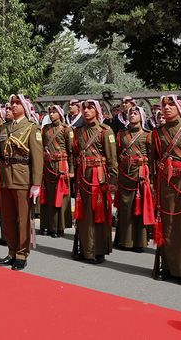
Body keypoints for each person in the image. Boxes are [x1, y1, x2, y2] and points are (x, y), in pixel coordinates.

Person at [152, 95, 181, 285]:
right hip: (165, 184)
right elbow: (154, 160)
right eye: (164, 105)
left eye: (171, 105)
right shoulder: (157, 132)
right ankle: (167, 266)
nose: (167, 108)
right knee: (166, 224)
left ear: (179, 108)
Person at [0, 94, 43, 271]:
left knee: (22, 219)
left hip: (23, 178)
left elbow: (38, 158)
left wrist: (36, 183)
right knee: (7, 219)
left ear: (24, 106)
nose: (13, 106)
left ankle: (22, 254)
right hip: (6, 177)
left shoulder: (32, 128)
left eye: (17, 103)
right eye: (11, 103)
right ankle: (12, 251)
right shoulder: (4, 127)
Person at [72, 100, 118, 264]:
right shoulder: (78, 131)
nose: (86, 111)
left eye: (90, 108)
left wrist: (112, 181)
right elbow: (75, 153)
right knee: (84, 214)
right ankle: (85, 249)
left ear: (97, 111)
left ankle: (97, 251)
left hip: (99, 177)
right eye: (84, 108)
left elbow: (112, 159)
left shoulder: (106, 132)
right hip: (83, 175)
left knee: (98, 214)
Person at [114, 106, 154, 252]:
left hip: (140, 174)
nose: (132, 115)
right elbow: (117, 153)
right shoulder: (121, 134)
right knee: (124, 208)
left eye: (135, 113)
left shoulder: (148, 135)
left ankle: (138, 242)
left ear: (141, 117)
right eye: (130, 113)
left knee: (139, 208)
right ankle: (124, 241)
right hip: (124, 174)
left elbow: (152, 157)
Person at [39, 104, 73, 238]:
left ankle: (58, 227)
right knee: (47, 196)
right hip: (47, 166)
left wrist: (71, 169)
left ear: (60, 113)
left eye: (54, 112)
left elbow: (71, 152)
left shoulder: (66, 129)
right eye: (50, 112)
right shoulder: (45, 129)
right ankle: (46, 225)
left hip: (61, 166)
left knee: (60, 197)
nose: (51, 114)